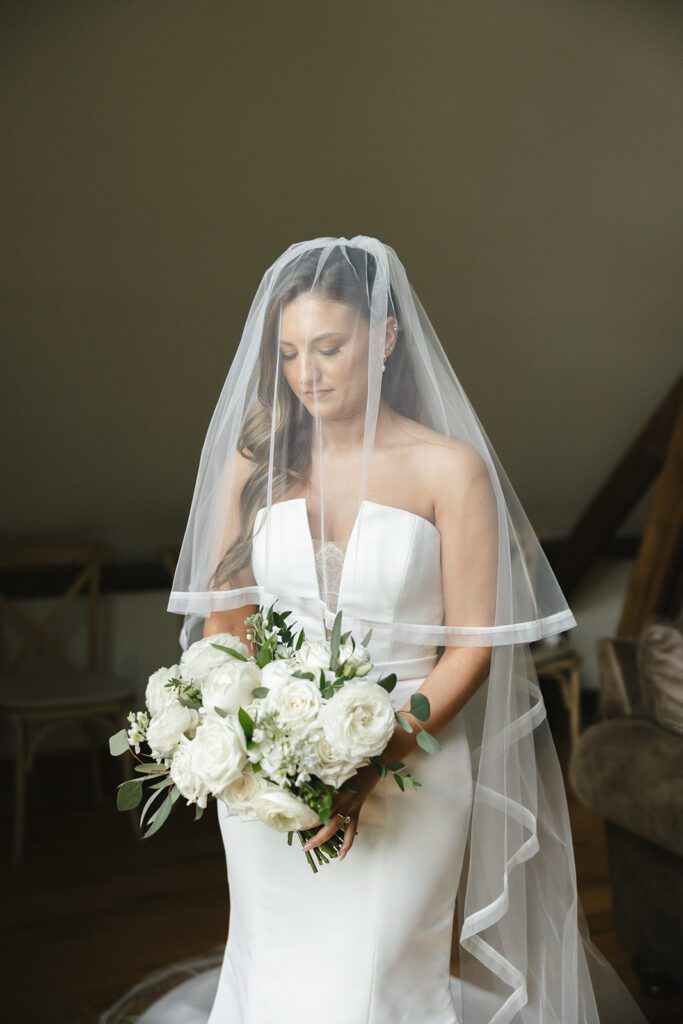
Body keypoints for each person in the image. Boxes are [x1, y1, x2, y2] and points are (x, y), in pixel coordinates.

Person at [101, 236, 648, 1024]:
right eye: (289, 354)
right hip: (267, 779)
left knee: (374, 987)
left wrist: (374, 755)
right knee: (275, 978)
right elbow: (227, 616)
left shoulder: (448, 469)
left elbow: (471, 646)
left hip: (414, 766)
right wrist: (258, 735)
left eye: (329, 347)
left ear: (385, 337)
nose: (307, 374)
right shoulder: (255, 463)